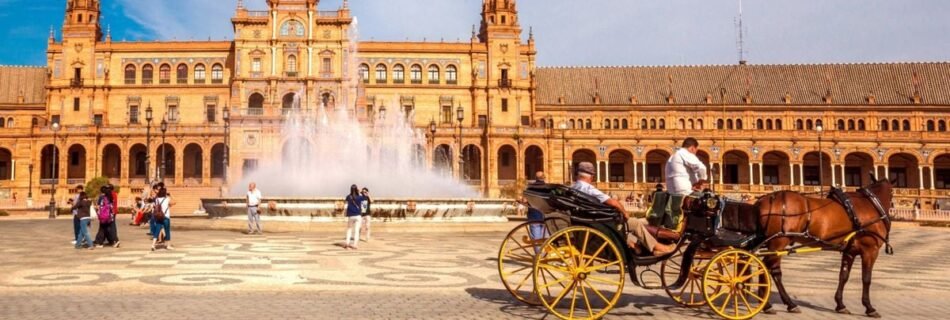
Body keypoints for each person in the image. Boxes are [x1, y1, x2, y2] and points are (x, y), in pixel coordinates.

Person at [572, 162, 674, 256]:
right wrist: (625, 212)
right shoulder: (588, 188)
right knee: (635, 223)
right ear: (591, 176)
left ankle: (635, 246)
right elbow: (613, 202)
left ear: (578, 175)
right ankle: (659, 247)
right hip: (601, 223)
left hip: (590, 221)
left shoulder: (574, 187)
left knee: (628, 225)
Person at [664, 138, 708, 228]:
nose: (695, 154)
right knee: (716, 202)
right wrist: (701, 181)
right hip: (685, 193)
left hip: (675, 193)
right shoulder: (684, 153)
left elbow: (681, 175)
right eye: (696, 151)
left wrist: (694, 184)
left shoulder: (673, 156)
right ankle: (716, 229)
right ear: (692, 148)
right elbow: (702, 168)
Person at [151, 186, 174, 251]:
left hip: (159, 216)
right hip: (166, 217)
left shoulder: (157, 199)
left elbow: (154, 206)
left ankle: (153, 245)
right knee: (167, 231)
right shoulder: (167, 199)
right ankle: (168, 245)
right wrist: (171, 195)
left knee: (157, 231)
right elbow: (175, 202)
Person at [344, 184, 364, 250]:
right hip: (358, 215)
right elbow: (364, 205)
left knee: (349, 230)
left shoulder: (348, 197)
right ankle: (355, 245)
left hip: (351, 215)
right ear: (356, 189)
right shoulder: (360, 197)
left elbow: (346, 206)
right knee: (356, 231)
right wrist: (360, 191)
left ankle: (347, 244)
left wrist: (345, 213)